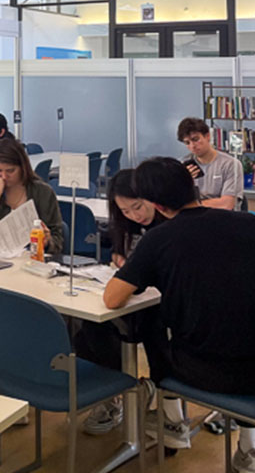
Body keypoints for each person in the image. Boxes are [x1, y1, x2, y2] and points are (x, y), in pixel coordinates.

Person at [103, 157, 255, 469]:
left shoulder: (158, 239)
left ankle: (173, 421)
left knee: (154, 324)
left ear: (156, 205)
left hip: (197, 370)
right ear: (193, 187)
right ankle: (251, 450)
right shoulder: (247, 223)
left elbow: (112, 299)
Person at [78, 169, 165, 436]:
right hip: (125, 296)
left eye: (137, 207)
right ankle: (115, 393)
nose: (134, 215)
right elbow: (118, 253)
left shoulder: (167, 225)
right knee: (88, 329)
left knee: (157, 336)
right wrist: (119, 259)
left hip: (159, 303)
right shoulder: (124, 224)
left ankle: (160, 396)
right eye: (125, 211)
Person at [0, 138, 63, 253]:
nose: (3, 176)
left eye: (10, 171)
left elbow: (58, 239)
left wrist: (48, 242)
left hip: (32, 259)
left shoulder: (43, 192)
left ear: (22, 168)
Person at [177, 117, 243, 210]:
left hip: (221, 217)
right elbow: (174, 202)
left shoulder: (230, 164)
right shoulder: (181, 165)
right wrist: (185, 181)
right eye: (187, 143)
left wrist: (192, 205)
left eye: (195, 139)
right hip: (191, 217)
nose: (192, 146)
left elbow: (227, 204)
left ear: (207, 136)